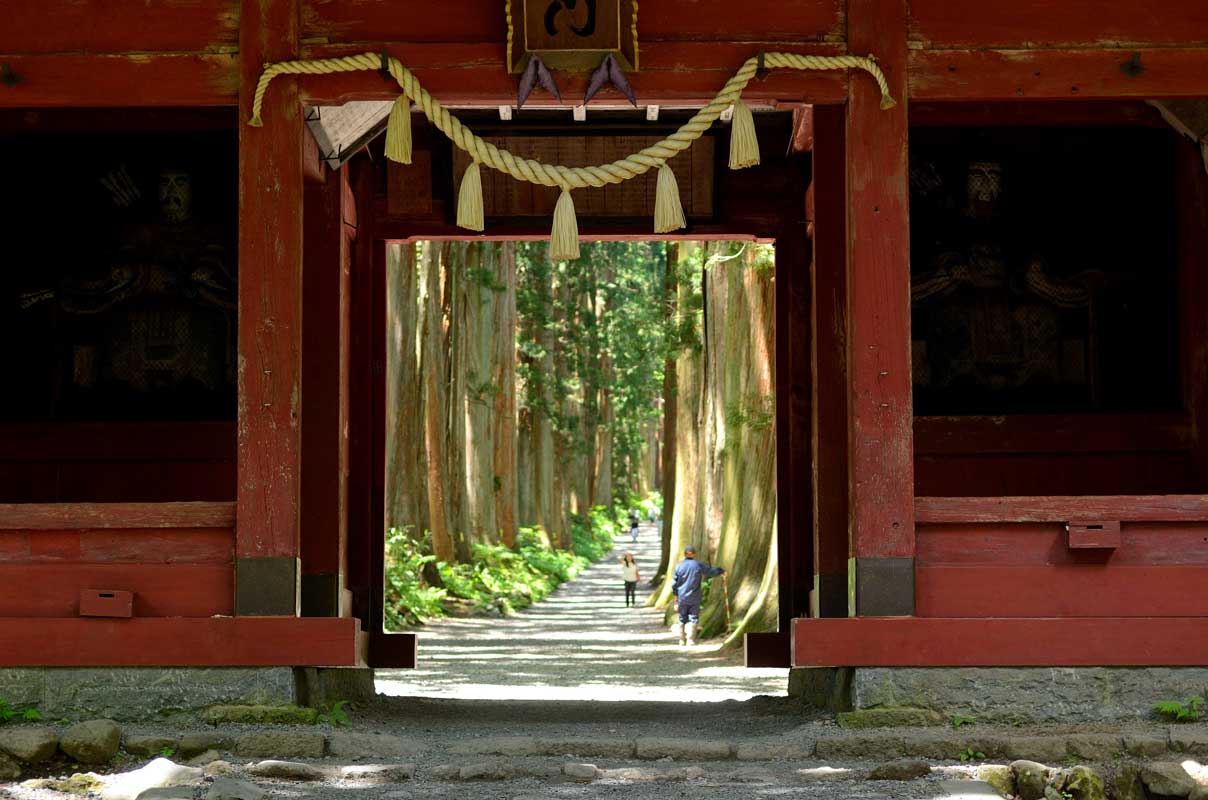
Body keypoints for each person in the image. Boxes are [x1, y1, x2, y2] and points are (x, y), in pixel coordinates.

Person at [670, 545, 724, 646]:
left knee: (682, 617)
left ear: (685, 554)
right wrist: (721, 571)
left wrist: (676, 598)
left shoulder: (679, 566)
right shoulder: (698, 565)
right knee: (693, 617)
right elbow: (710, 572)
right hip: (695, 596)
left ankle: (681, 640)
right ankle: (690, 640)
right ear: (694, 554)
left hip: (682, 597)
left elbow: (674, 584)